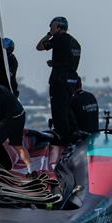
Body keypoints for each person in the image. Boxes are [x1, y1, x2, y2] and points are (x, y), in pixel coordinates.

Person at [36, 16, 81, 145]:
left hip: (59, 79)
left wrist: (49, 35)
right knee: (67, 107)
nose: (50, 29)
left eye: (51, 26)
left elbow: (39, 47)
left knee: (58, 110)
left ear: (58, 27)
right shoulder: (75, 42)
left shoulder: (58, 38)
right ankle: (73, 134)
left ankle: (63, 139)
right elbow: (68, 60)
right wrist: (55, 62)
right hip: (72, 80)